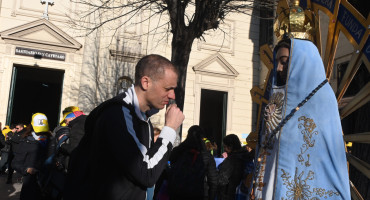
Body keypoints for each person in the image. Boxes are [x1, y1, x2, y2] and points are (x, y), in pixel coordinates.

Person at [64, 54, 185, 200]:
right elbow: (147, 173)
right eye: (168, 88)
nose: (172, 95)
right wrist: (169, 129)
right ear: (146, 82)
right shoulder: (118, 115)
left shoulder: (140, 117)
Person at [251, 38, 350, 199]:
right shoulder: (277, 96)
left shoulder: (322, 98)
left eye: (284, 62)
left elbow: (326, 152)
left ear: (302, 62)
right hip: (270, 182)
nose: (278, 68)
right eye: (277, 62)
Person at [167, 125, 218, 200]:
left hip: (177, 193)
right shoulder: (207, 155)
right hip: (198, 193)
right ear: (202, 136)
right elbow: (213, 182)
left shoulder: (177, 151)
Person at [12, 113, 52, 200]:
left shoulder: (52, 141)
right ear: (32, 125)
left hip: (48, 185)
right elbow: (15, 163)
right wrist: (27, 169)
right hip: (31, 186)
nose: (41, 132)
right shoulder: (25, 141)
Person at [217, 134, 252, 200]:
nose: (224, 150)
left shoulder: (231, 160)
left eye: (225, 147)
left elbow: (222, 180)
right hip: (245, 194)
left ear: (230, 146)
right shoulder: (247, 156)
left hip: (231, 194)